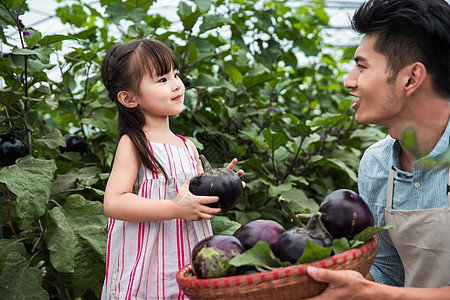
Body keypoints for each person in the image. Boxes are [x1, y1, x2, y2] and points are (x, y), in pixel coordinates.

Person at [305, 0, 450, 298]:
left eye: (361, 66)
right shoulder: (376, 164)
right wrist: (332, 269)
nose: (349, 81)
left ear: (410, 78)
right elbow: (389, 274)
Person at [99, 39, 244, 299]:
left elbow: (194, 202)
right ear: (129, 98)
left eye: (175, 74)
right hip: (147, 265)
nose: (177, 84)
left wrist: (224, 186)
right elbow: (113, 202)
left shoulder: (187, 146)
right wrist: (174, 209)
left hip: (187, 260)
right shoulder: (134, 143)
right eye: (162, 79)